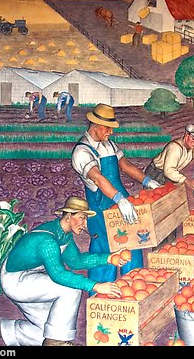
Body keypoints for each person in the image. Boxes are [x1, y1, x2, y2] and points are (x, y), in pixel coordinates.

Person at [0, 196, 126, 347]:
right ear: (68, 216)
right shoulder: (48, 241)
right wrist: (96, 286)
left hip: (31, 278)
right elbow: (58, 275)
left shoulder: (63, 235)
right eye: (82, 217)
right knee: (71, 291)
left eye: (85, 219)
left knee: (47, 331)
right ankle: (56, 342)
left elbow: (76, 261)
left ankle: (0, 329)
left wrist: (109, 258)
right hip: (16, 281)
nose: (84, 224)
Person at [71, 104, 161, 284]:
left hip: (122, 203)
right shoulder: (82, 152)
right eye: (108, 127)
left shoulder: (109, 144)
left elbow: (125, 165)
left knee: (134, 244)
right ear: (95, 125)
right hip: (101, 209)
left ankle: (134, 290)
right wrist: (119, 199)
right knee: (105, 251)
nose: (111, 131)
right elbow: (97, 178)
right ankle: (100, 298)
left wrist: (147, 181)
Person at [145, 124, 194, 191]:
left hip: (171, 174)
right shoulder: (175, 148)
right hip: (156, 173)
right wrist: (186, 181)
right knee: (157, 195)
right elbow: (168, 170)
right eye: (193, 139)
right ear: (186, 135)